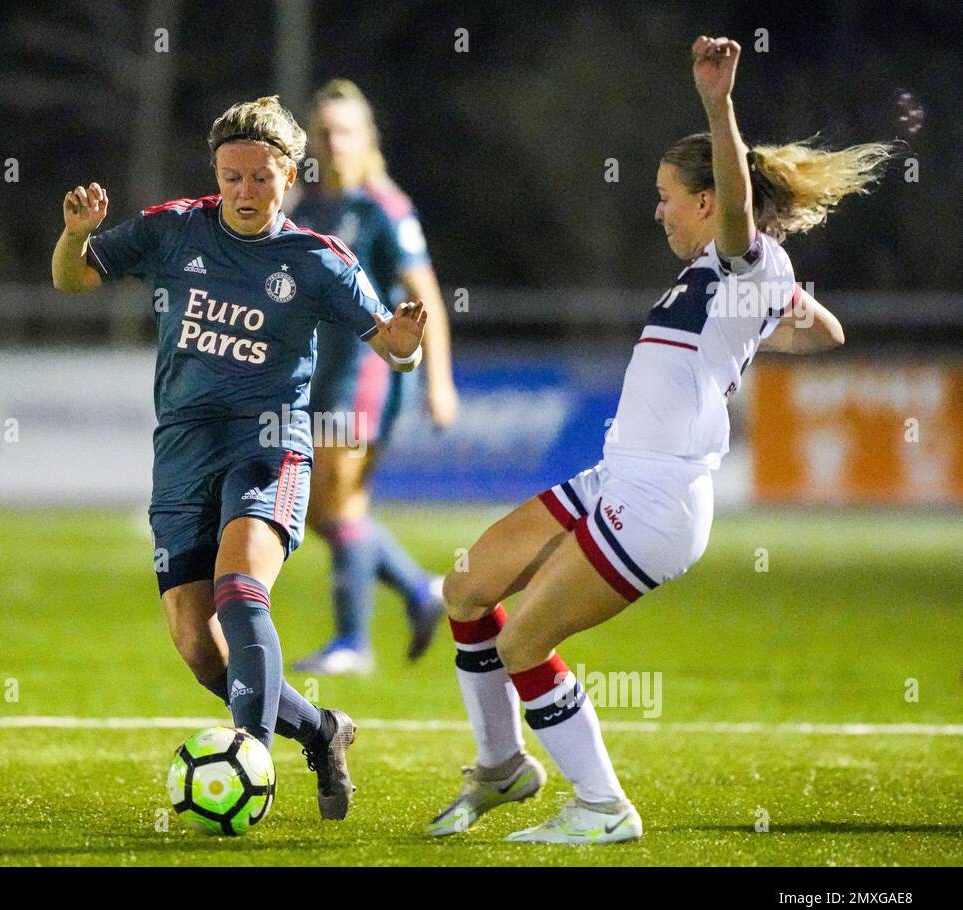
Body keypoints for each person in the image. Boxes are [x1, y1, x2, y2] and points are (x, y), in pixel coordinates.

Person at [425, 37, 893, 843]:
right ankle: (503, 770)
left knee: (525, 638)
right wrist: (761, 334)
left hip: (658, 499)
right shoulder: (733, 274)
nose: (658, 208)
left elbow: (752, 231)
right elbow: (827, 334)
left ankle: (604, 809)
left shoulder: (743, 255)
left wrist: (719, 107)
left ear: (710, 200)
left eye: (667, 195)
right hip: (616, 475)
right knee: (466, 589)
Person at [50, 95, 427, 820]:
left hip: (270, 447)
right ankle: (320, 730)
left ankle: (250, 761)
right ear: (216, 176)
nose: (245, 193)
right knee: (199, 647)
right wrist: (75, 237)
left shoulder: (318, 260)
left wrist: (405, 350)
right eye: (232, 177)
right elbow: (74, 277)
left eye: (261, 178)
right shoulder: (172, 230)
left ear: (289, 176)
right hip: (183, 453)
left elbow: (390, 342)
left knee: (241, 588)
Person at [291, 79, 458, 676]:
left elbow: (427, 299)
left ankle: (352, 644)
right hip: (319, 376)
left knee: (339, 502)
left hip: (370, 375)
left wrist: (440, 381)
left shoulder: (385, 208)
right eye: (326, 131)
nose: (335, 142)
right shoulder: (307, 205)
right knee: (316, 510)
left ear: (367, 138)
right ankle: (419, 591)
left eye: (346, 131)